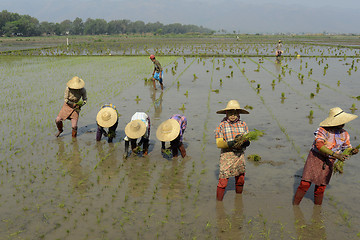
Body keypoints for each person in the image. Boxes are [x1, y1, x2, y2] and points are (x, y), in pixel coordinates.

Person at [293, 107, 358, 205]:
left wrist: (353, 151)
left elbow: (347, 148)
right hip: (315, 158)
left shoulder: (344, 134)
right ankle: (295, 206)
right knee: (305, 183)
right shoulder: (323, 130)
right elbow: (319, 145)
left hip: (329, 161)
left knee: (321, 187)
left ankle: (317, 210)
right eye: (341, 121)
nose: (343, 123)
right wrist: (335, 154)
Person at [215, 100, 250, 201]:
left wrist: (246, 142)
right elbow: (219, 143)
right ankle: (219, 203)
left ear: (238, 113)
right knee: (223, 181)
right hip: (227, 155)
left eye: (235, 113)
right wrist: (231, 143)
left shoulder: (243, 124)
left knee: (240, 178)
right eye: (230, 113)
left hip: (239, 155)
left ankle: (239, 199)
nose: (233, 115)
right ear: (226, 113)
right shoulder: (222, 125)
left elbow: (248, 138)